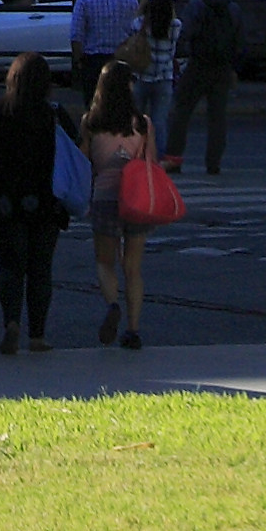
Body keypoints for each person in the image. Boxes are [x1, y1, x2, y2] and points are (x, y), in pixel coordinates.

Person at [0, 57, 73, 351]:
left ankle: (11, 322)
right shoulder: (55, 114)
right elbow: (79, 151)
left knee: (11, 266)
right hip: (48, 202)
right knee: (40, 268)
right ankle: (37, 335)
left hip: (6, 201)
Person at [79, 41, 164, 350]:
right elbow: (151, 162)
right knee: (133, 267)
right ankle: (133, 328)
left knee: (105, 262)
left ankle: (112, 304)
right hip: (136, 199)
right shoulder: (143, 124)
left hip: (104, 195)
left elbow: (83, 160)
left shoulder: (91, 122)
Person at [161, 0, 232, 177]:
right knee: (218, 117)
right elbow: (239, 37)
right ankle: (213, 163)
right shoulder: (231, 7)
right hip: (222, 66)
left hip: (199, 64)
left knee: (182, 111)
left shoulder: (196, 5)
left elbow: (185, 32)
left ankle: (174, 159)